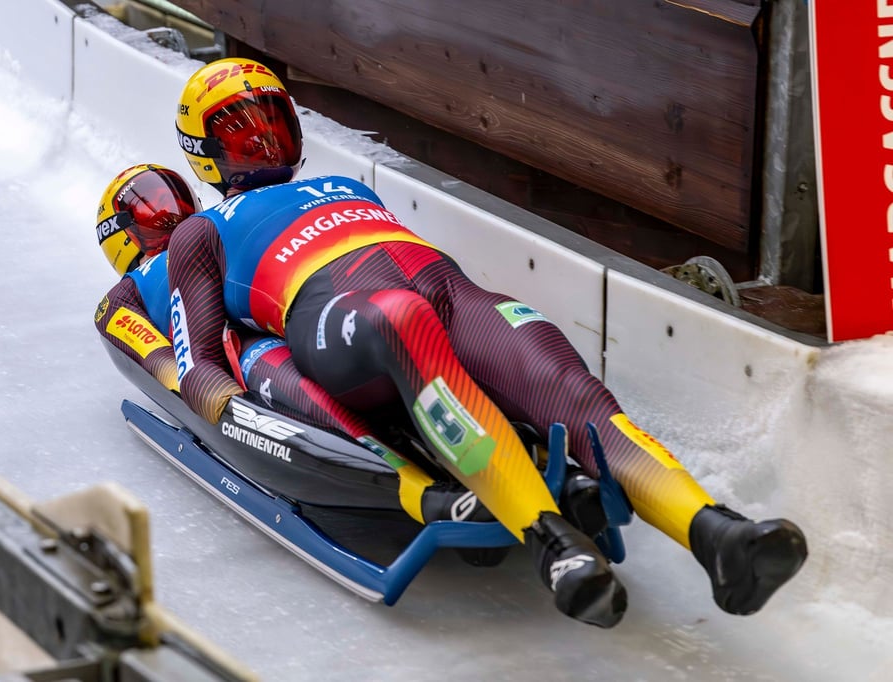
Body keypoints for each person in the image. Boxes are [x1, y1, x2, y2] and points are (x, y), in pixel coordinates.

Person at [162, 57, 809, 628]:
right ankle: (552, 543)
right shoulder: (200, 233)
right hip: (342, 318)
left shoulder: (350, 186)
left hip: (449, 291)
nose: (264, 142)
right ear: (204, 150)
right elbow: (200, 361)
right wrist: (240, 412)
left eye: (273, 122)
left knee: (560, 379)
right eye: (241, 135)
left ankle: (717, 532)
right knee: (399, 319)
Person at [91, 163, 607, 537]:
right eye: (148, 215)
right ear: (122, 238)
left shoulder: (216, 232)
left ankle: (522, 451)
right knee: (275, 361)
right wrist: (205, 392)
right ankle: (421, 487)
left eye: (172, 200)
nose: (166, 216)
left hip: (288, 320)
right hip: (245, 354)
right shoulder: (125, 294)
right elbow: (150, 349)